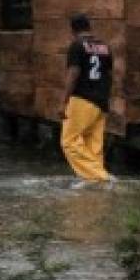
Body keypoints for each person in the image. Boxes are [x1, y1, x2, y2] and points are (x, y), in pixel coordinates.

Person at [60, 13, 116, 189]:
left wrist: (63, 101)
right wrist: (107, 99)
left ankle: (101, 177)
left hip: (82, 99)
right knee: (94, 145)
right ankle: (94, 187)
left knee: (68, 141)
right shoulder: (105, 47)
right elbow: (110, 75)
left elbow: (73, 73)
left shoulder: (76, 46)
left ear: (73, 30)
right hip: (101, 101)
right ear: (89, 27)